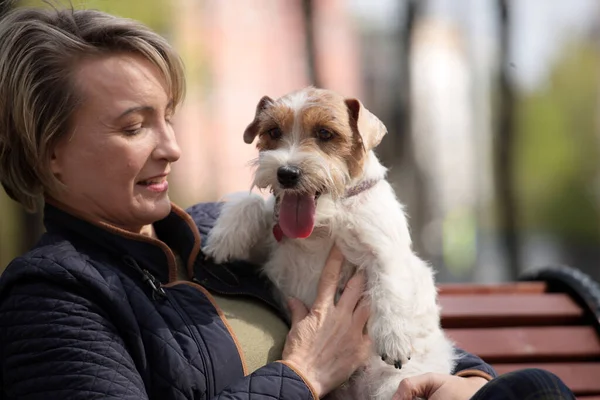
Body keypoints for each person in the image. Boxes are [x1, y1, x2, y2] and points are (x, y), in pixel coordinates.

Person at [0, 5, 575, 400]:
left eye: (167, 118)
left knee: (533, 391)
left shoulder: (220, 233)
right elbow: (323, 357)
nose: (171, 148)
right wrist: (304, 375)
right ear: (51, 153)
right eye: (133, 127)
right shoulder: (52, 298)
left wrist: (463, 381)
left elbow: (401, 325)